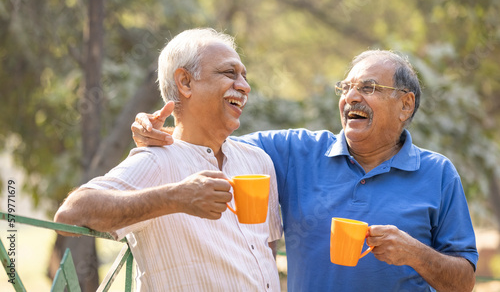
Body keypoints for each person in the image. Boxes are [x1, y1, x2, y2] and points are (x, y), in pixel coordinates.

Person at [131, 50, 478, 292]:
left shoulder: (438, 173)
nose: (351, 97)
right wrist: (158, 130)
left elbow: (462, 283)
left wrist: (414, 253)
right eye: (346, 87)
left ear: (405, 104)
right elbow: (208, 140)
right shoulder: (296, 151)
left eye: (369, 88)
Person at [54, 28, 282, 291]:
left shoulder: (258, 162)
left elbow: (267, 249)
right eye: (230, 73)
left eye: (244, 76)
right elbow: (69, 216)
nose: (244, 86)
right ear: (185, 82)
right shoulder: (157, 160)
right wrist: (176, 198)